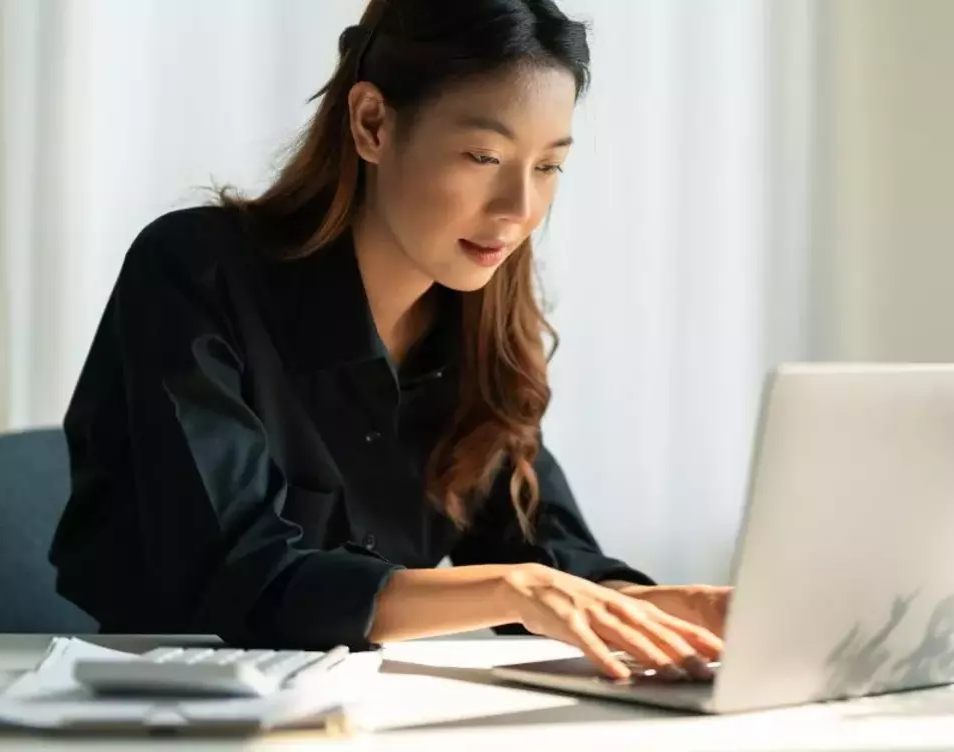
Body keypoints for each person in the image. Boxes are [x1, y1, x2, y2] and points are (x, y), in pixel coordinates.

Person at [47, 0, 730, 681]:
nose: (519, 210)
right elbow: (238, 573)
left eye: (549, 166)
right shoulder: (194, 271)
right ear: (372, 123)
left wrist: (687, 607)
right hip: (161, 703)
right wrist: (508, 588)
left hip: (360, 706)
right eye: (484, 155)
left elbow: (545, 555)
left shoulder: (478, 316)